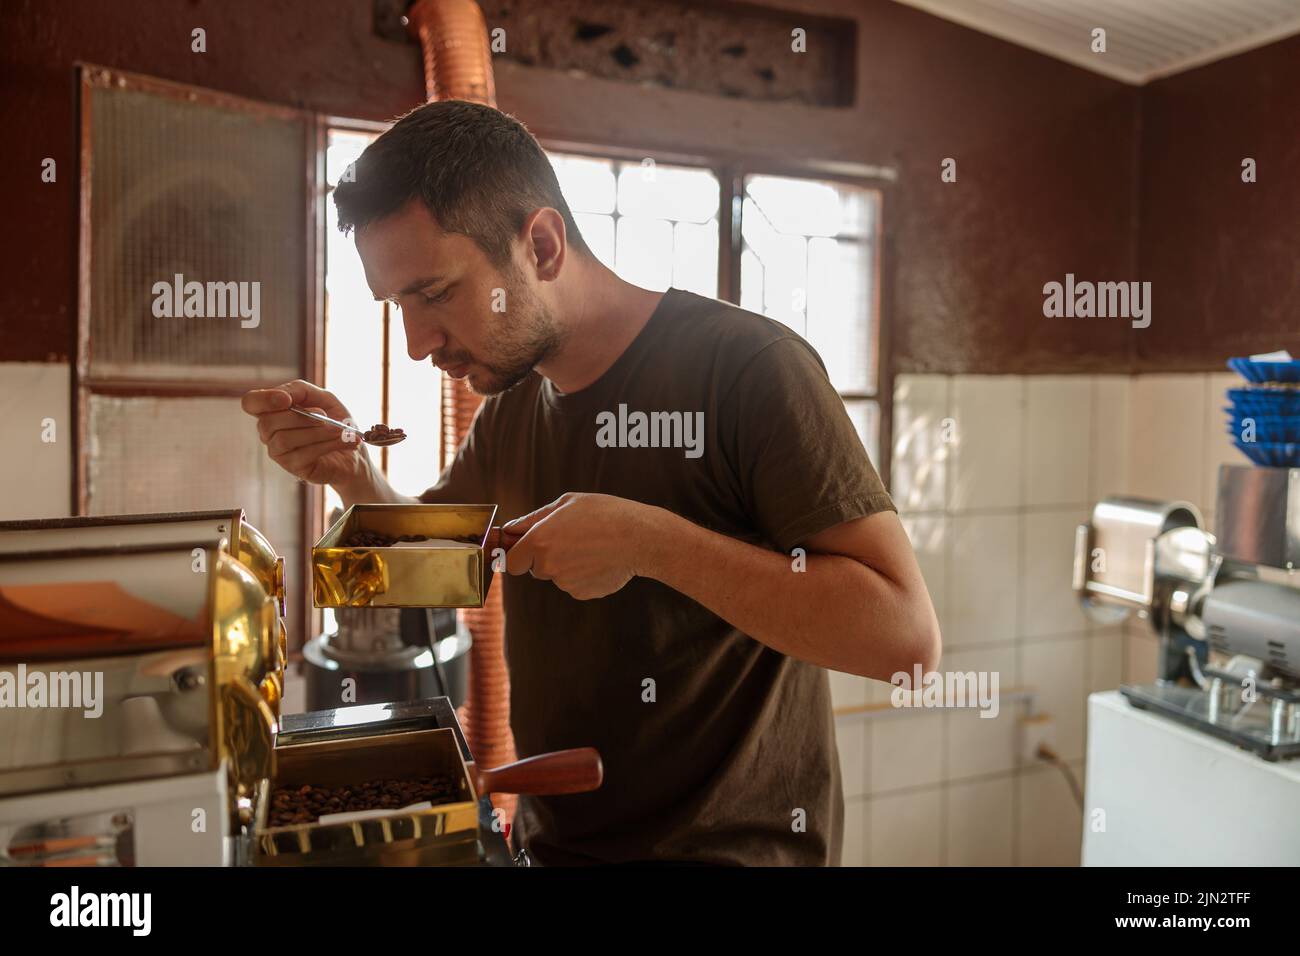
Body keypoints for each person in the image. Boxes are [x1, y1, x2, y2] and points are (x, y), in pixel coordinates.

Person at [242, 100, 940, 866]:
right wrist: (354, 475)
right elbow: (437, 567)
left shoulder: (747, 370)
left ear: (541, 244)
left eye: (434, 294)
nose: (416, 344)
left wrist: (648, 542)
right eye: (397, 305)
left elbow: (904, 642)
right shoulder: (513, 406)